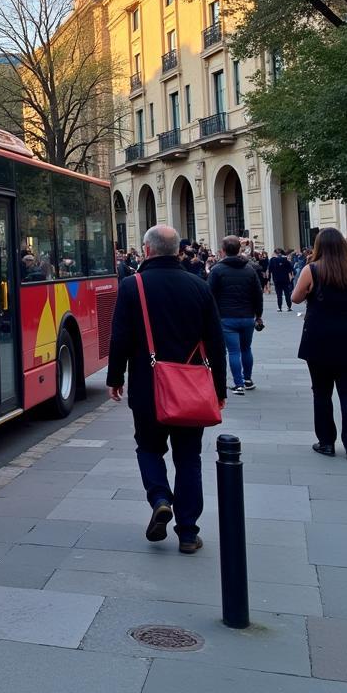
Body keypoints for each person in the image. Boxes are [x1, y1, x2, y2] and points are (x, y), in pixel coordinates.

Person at [107, 225, 227, 553]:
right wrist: (219, 389)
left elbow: (119, 338)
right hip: (190, 388)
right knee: (189, 457)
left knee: (148, 448)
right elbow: (216, 343)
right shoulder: (199, 285)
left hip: (148, 387)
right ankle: (188, 532)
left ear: (147, 251)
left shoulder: (133, 287)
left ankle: (160, 497)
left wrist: (115, 378)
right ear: (177, 250)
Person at [291, 227, 347, 460]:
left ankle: (326, 442)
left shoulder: (312, 269)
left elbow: (295, 298)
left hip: (319, 336)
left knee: (321, 392)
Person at [207, 235, 264, 395]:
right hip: (247, 316)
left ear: (223, 251)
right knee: (246, 348)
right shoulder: (249, 269)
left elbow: (209, 294)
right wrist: (258, 315)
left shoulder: (217, 270)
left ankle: (238, 384)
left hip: (226, 317)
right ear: (239, 250)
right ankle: (248, 379)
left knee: (233, 351)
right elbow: (258, 294)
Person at [269, 247, 294, 312]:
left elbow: (269, 270)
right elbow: (290, 269)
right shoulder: (286, 260)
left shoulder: (272, 260)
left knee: (279, 294)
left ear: (275, 253)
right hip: (285, 279)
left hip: (276, 279)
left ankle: (279, 307)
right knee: (287, 293)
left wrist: (269, 279)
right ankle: (289, 307)